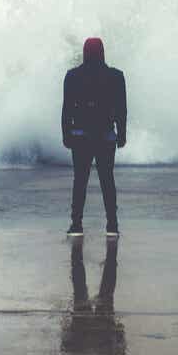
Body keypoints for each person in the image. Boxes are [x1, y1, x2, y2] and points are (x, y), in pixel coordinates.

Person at [61, 37, 127, 236]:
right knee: (107, 180)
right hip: (106, 136)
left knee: (80, 181)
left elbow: (66, 109)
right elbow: (122, 109)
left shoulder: (72, 76)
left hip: (80, 136)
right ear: (103, 52)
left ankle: (76, 224)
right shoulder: (116, 76)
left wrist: (66, 134)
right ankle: (112, 225)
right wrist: (121, 134)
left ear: (84, 52)